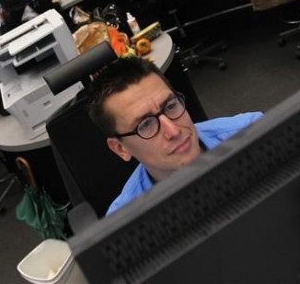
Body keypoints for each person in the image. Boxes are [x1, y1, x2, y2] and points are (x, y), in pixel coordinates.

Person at [89, 57, 262, 215]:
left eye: (170, 106)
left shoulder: (253, 132)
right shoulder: (124, 223)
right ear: (121, 149)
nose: (173, 131)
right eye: (145, 125)